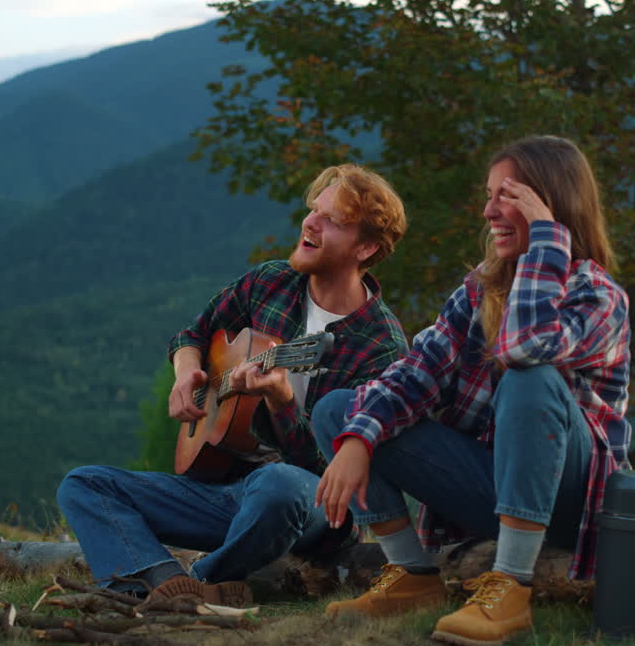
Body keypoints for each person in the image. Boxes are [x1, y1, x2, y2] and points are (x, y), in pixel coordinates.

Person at [312, 135, 631, 646]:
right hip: (491, 489)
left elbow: (527, 348)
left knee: (530, 376)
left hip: (568, 503)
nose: (489, 211)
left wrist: (546, 244)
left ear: (552, 204)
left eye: (509, 197)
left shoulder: (599, 296)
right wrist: (358, 442)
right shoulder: (478, 292)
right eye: (489, 196)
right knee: (340, 410)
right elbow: (414, 373)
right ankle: (413, 576)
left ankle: (511, 585)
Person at [57, 163, 408, 606]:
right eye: (313, 210)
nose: (310, 222)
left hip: (308, 506)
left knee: (278, 482)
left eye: (332, 220)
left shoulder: (381, 348)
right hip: (223, 491)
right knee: (84, 484)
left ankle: (201, 580)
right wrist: (187, 373)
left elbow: (337, 475)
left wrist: (282, 401)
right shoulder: (271, 282)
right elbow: (192, 335)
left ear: (367, 247)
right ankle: (163, 583)